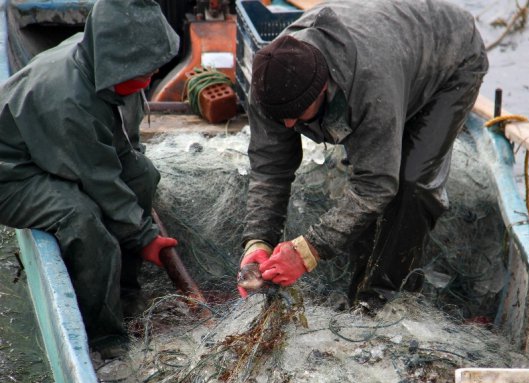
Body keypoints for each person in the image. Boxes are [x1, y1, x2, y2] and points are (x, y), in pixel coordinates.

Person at [238, 0, 489, 313]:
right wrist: (258, 241)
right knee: (371, 189)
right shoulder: (269, 86)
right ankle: (359, 279)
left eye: (297, 115)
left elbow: (376, 185)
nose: (289, 125)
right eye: (281, 118)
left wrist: (309, 250)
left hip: (450, 55)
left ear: (323, 90)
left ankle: (381, 301)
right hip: (389, 49)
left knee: (410, 184)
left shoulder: (369, 85)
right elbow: (269, 167)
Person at [0, 0, 180, 355]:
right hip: (12, 173)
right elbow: (100, 181)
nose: (153, 75)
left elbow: (122, 154)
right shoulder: (69, 103)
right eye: (147, 70)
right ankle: (104, 335)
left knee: (143, 175)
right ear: (119, 65)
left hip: (53, 150)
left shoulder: (99, 61)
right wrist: (146, 238)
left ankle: (125, 291)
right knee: (83, 220)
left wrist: (141, 231)